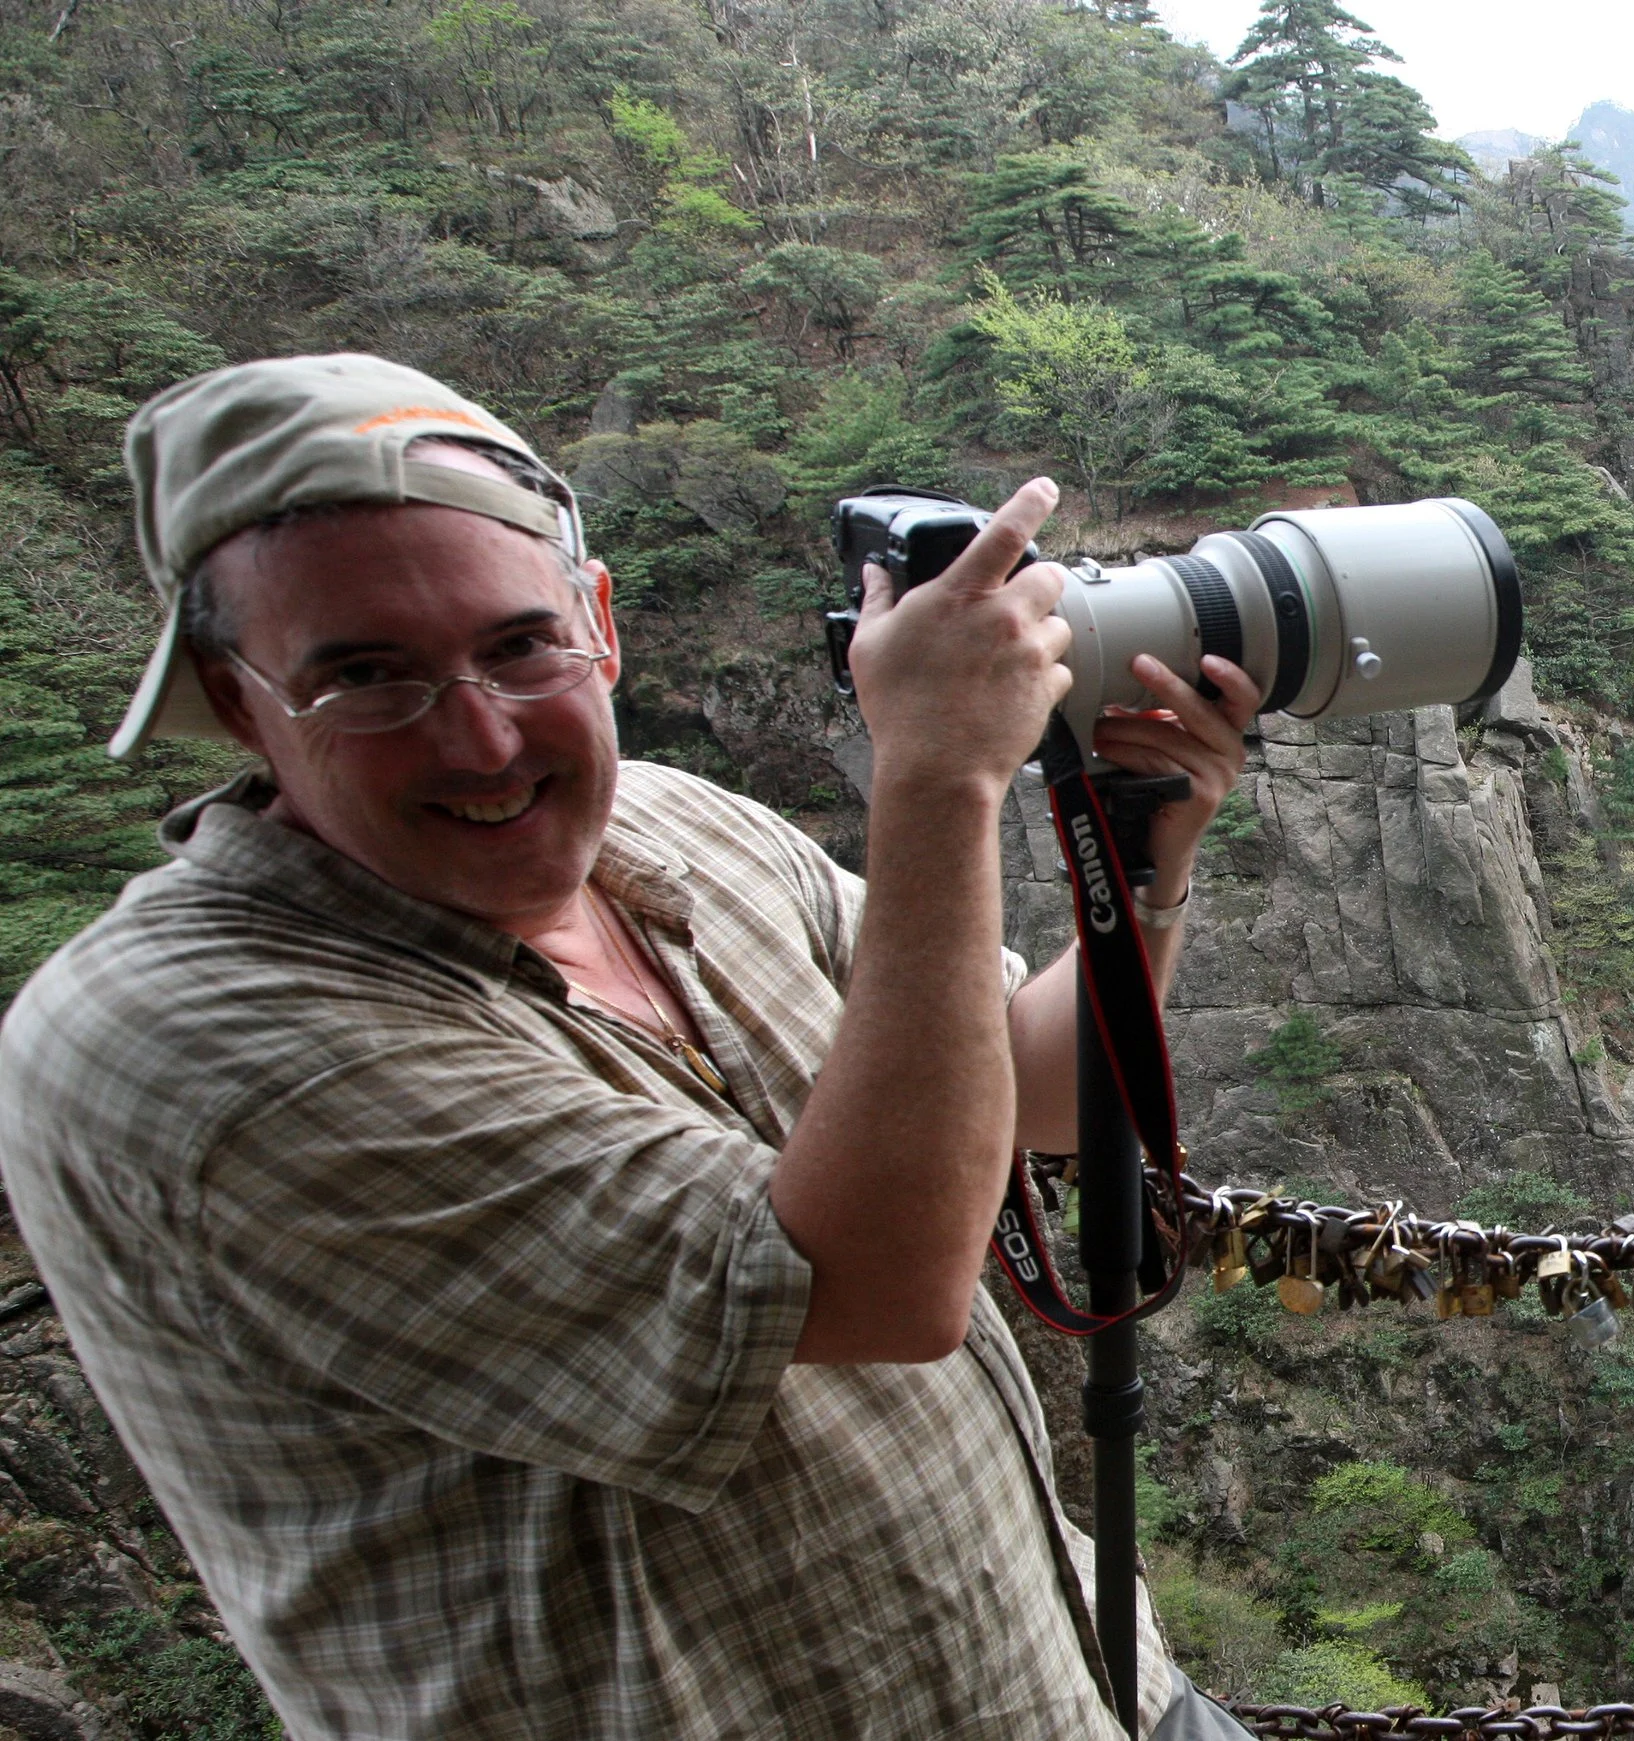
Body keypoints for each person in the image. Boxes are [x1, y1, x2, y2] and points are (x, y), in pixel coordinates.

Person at [0, 353, 1264, 1739]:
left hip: (1081, 1686)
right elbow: (874, 1285)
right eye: (366, 675)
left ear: (598, 623)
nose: (482, 740)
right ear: (237, 699)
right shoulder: (188, 1044)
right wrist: (942, 777)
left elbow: (1026, 1090)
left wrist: (1141, 866)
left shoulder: (672, 823)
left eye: (519, 646)